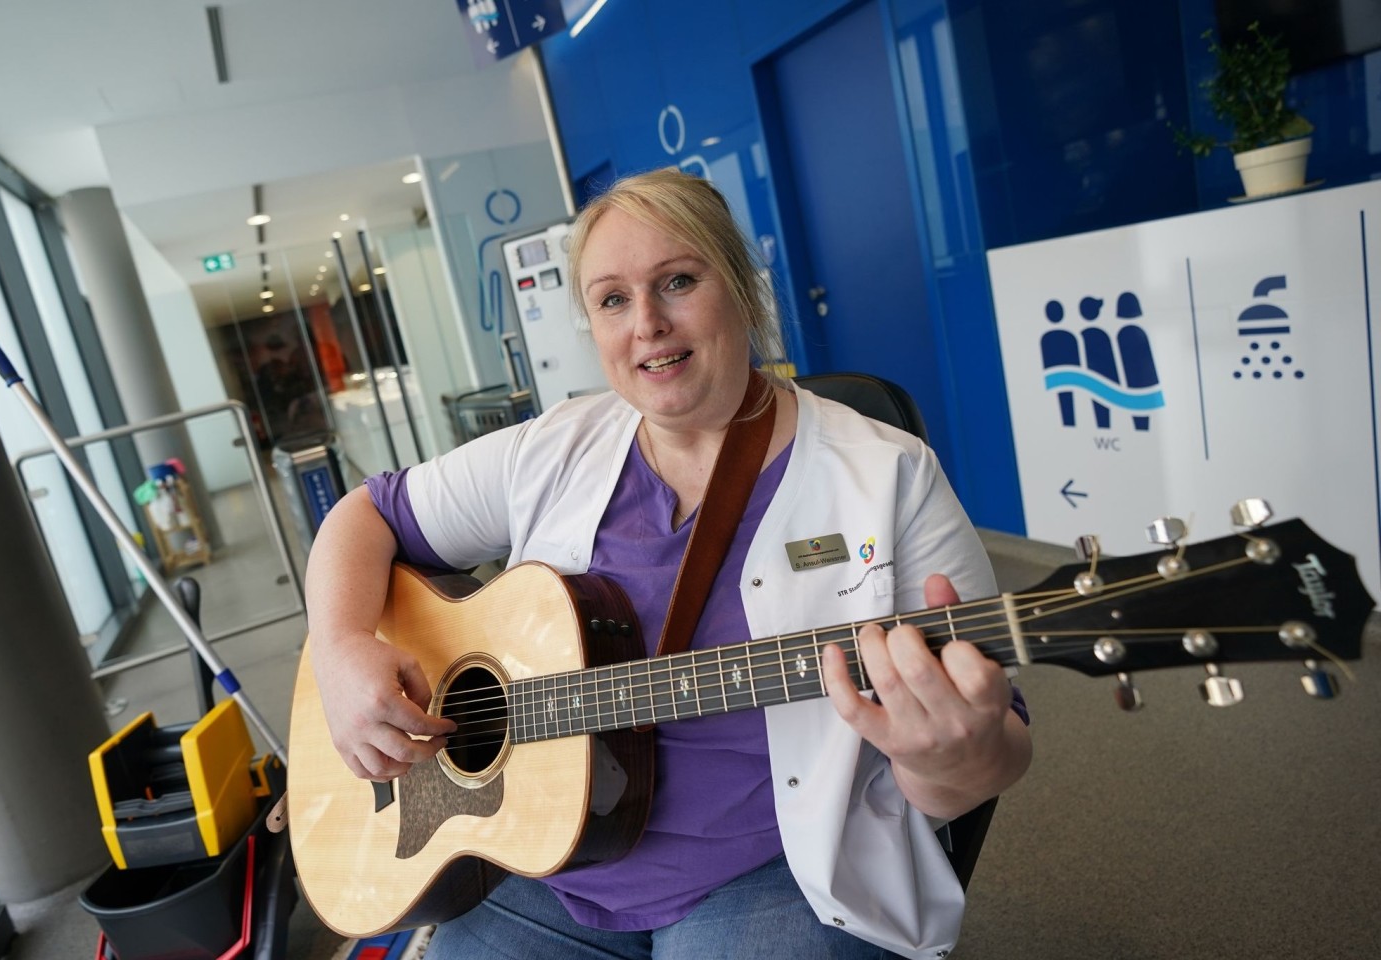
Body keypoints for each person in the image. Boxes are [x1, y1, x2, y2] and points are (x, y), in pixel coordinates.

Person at [304, 167, 1032, 959]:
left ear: (741, 291)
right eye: (612, 299)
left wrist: (948, 762)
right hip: (547, 863)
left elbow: (992, 744)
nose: (646, 323)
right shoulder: (555, 447)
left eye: (677, 281)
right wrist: (342, 649)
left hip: (772, 874)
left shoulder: (886, 475)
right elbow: (365, 513)